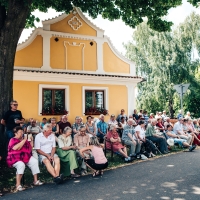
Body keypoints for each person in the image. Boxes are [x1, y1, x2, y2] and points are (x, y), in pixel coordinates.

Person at [7, 126, 43, 191]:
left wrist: (31, 140)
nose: (22, 133)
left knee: (34, 161)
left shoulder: (24, 139)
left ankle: (35, 181)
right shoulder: (12, 140)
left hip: (25, 157)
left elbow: (30, 148)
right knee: (21, 165)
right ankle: (18, 185)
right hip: (15, 158)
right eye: (20, 132)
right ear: (15, 133)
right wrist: (24, 140)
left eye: (22, 132)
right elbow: (16, 148)